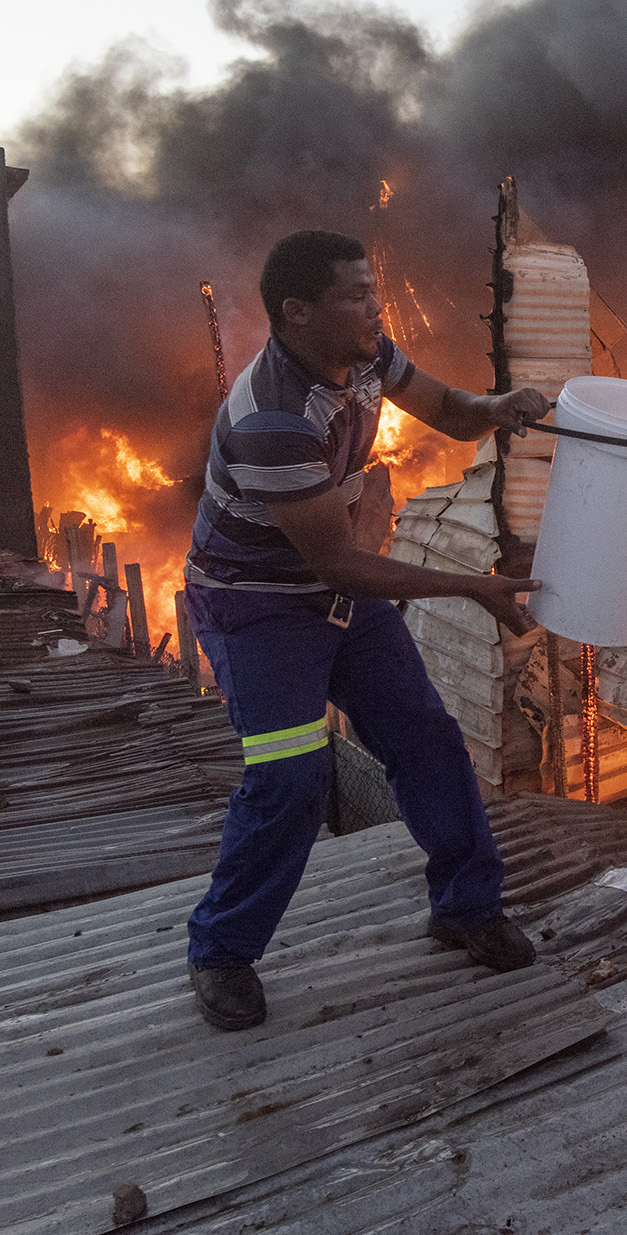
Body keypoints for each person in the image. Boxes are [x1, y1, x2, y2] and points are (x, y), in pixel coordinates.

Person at [182, 229, 548, 1031]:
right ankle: (222, 950)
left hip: (335, 589)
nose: (375, 307)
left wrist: (501, 409)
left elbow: (451, 412)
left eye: (373, 290)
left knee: (423, 736)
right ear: (298, 312)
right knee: (289, 778)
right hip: (259, 605)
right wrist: (470, 586)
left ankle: (465, 905)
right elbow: (339, 561)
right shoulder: (271, 416)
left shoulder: (368, 355)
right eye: (356, 294)